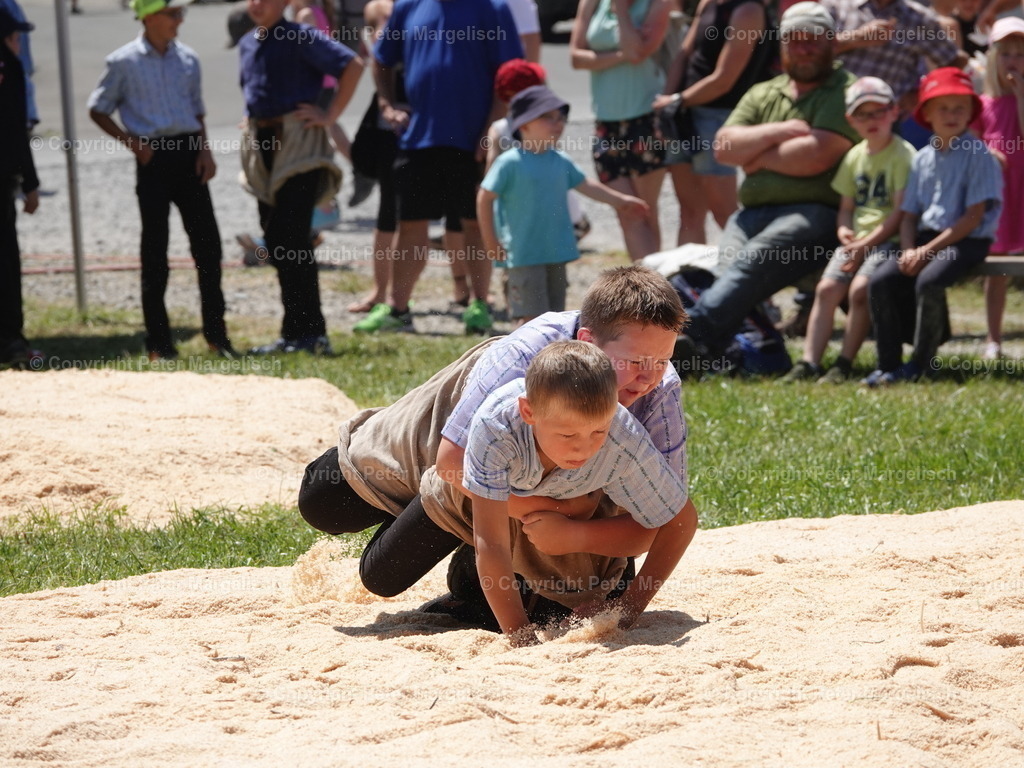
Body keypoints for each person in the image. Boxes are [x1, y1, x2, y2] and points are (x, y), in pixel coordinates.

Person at [297, 264, 697, 629]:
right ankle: (430, 513)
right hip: (435, 448)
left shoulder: (654, 394)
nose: (649, 378)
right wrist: (547, 513)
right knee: (327, 507)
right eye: (635, 361)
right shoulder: (521, 359)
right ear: (586, 341)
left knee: (553, 609)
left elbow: (665, 518)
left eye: (662, 361)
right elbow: (451, 460)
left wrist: (576, 538)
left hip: (516, 483)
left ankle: (470, 570)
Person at [363, 341, 695, 645]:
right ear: (528, 412)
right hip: (475, 497)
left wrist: (631, 606)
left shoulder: (621, 436)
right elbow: (490, 543)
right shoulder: (496, 426)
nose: (584, 447)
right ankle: (443, 541)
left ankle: (484, 587)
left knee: (555, 611)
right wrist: (521, 638)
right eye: (567, 435)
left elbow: (680, 522)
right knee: (380, 577)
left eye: (598, 431)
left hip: (554, 519)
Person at [673, 2, 860, 375]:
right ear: (782, 46)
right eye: (795, 42)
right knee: (729, 271)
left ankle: (690, 335)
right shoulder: (764, 91)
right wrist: (781, 133)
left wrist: (755, 154)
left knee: (752, 261)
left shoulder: (846, 90)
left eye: (814, 42)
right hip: (751, 215)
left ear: (832, 44)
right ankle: (734, 354)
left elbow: (815, 156)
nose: (803, 50)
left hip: (817, 215)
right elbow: (724, 148)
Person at [355, 0, 523, 334]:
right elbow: (382, 57)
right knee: (411, 227)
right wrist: (387, 104)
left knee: (474, 224)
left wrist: (492, 128)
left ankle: (479, 305)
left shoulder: (494, 9)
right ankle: (398, 310)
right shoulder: (409, 6)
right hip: (419, 139)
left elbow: (509, 74)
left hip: (472, 139)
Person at [88, 0, 233, 361]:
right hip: (152, 157)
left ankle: (217, 335)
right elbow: (98, 108)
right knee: (155, 250)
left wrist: (205, 151)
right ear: (148, 16)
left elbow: (196, 109)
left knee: (208, 248)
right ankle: (159, 342)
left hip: (189, 155)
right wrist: (133, 144)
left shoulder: (188, 59)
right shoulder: (123, 61)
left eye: (180, 13)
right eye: (172, 13)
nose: (179, 20)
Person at [863, 67, 1003, 386]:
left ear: (971, 112)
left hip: (967, 239)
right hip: (926, 238)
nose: (952, 115)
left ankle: (923, 363)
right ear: (926, 112)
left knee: (929, 281)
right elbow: (910, 214)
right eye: (943, 107)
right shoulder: (922, 158)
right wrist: (910, 249)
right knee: (880, 280)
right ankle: (888, 364)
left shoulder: (978, 155)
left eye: (960, 108)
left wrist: (925, 252)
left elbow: (972, 216)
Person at [238, 0, 363, 354]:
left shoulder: (300, 36)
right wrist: (251, 117)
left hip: (299, 145)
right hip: (264, 147)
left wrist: (330, 113)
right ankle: (292, 332)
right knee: (276, 237)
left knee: (293, 238)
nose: (257, 4)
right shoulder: (248, 42)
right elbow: (253, 88)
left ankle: (312, 334)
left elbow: (352, 65)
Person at [478, 85, 649, 327]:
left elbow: (587, 184)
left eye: (561, 118)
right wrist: (491, 242)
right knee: (530, 321)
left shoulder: (560, 160)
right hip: (523, 255)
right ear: (523, 125)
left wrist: (620, 201)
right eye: (547, 117)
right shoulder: (509, 163)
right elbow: (484, 198)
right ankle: (528, 362)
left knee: (554, 318)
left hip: (555, 252)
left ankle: (548, 362)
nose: (558, 123)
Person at [782, 76, 916, 383]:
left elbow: (900, 213)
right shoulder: (854, 156)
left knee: (859, 291)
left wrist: (865, 244)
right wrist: (844, 233)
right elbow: (846, 209)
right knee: (827, 289)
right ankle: (809, 362)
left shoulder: (903, 154)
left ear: (894, 111)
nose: (871, 121)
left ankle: (844, 363)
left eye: (878, 111)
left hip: (888, 241)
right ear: (850, 120)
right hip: (856, 241)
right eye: (862, 114)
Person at [653, 0, 775, 246]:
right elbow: (683, 55)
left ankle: (757, 273)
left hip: (717, 118)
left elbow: (724, 79)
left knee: (724, 212)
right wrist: (666, 106)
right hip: (684, 112)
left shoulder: (749, 10)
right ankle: (687, 280)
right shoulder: (708, 2)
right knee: (689, 212)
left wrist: (676, 100)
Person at [570, 0, 673, 261]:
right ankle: (646, 290)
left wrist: (621, 10)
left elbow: (638, 51)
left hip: (645, 120)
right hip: (606, 123)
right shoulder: (590, 3)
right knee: (626, 211)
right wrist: (620, 57)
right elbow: (576, 58)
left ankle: (654, 292)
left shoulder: (658, 4)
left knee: (645, 212)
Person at [973, 16, 1024, 361]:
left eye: (1020, 54)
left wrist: (1021, 95)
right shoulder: (983, 103)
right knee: (1000, 267)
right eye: (1005, 53)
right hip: (1001, 195)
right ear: (992, 57)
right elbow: (972, 145)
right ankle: (994, 339)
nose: (1013, 60)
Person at [0, 7, 41, 368]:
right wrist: (30, 183)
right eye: (13, 36)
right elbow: (16, 130)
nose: (18, 43)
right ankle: (11, 341)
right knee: (6, 265)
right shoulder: (9, 68)